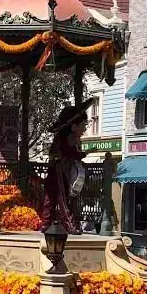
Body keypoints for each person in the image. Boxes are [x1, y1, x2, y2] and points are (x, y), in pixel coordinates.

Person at [39, 99, 96, 235]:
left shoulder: (63, 137)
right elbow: (71, 153)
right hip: (61, 169)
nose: (84, 128)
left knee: (50, 197)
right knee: (62, 197)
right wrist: (84, 153)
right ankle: (70, 225)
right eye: (83, 125)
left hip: (55, 167)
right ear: (74, 127)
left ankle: (46, 223)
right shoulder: (69, 138)